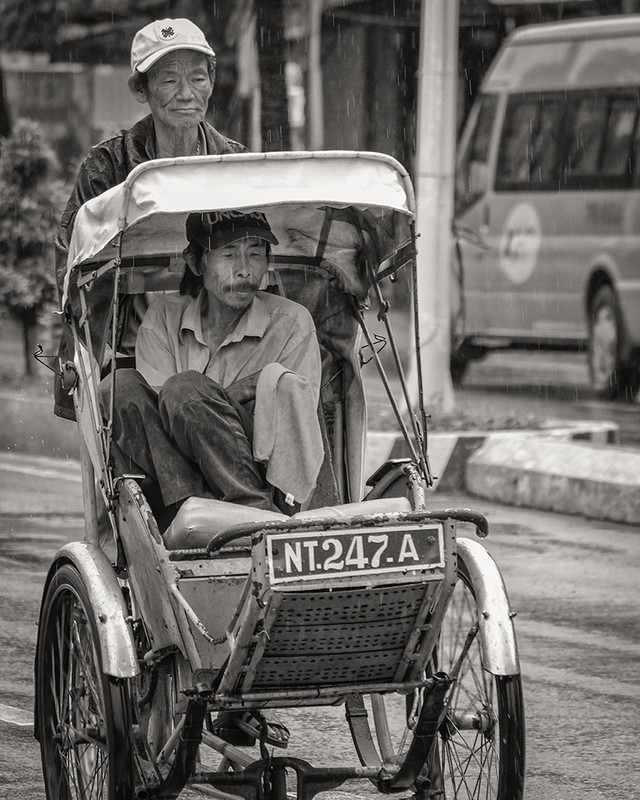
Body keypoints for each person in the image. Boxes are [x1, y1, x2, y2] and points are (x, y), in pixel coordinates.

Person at [54, 17, 246, 420]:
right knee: (117, 396)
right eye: (168, 81)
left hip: (220, 342)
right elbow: (73, 263)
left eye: (197, 78)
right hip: (128, 345)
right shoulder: (107, 166)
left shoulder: (236, 163)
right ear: (141, 89)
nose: (186, 94)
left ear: (212, 80)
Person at [102, 209, 323, 528]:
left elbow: (297, 420)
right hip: (173, 481)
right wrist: (237, 390)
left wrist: (216, 397)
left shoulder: (291, 322)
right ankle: (189, 507)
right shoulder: (165, 316)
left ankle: (253, 509)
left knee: (184, 388)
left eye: (256, 254)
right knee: (118, 387)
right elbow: (159, 424)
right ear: (195, 261)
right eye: (228, 254)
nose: (245, 270)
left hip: (260, 475)